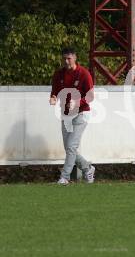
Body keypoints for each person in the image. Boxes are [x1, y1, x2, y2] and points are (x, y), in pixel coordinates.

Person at [49, 47, 95, 185]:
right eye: (64, 58)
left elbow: (90, 96)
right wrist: (53, 98)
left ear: (75, 58)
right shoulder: (58, 74)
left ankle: (65, 177)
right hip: (66, 115)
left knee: (71, 146)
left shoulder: (84, 74)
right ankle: (88, 168)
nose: (66, 61)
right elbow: (54, 91)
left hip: (81, 114)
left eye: (69, 58)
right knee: (70, 148)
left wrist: (77, 103)